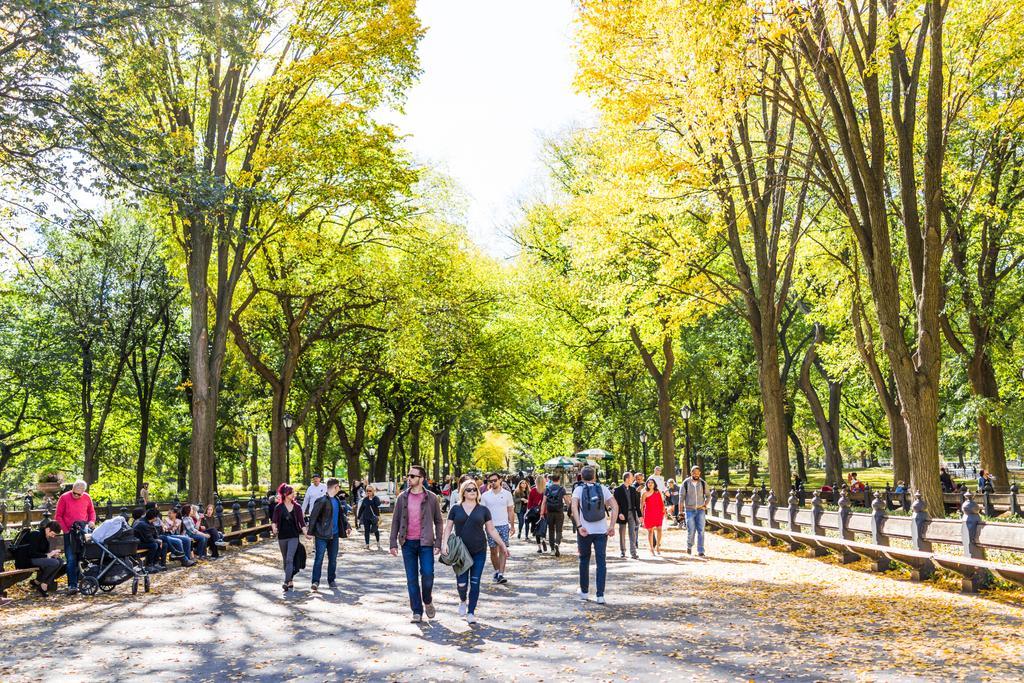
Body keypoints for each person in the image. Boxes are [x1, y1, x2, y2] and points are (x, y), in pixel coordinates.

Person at [441, 479, 510, 624]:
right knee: (462, 584)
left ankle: (471, 612)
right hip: (460, 552)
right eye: (469, 489)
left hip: (479, 550)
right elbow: (447, 528)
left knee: (475, 581)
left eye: (474, 489)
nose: (472, 491)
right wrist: (444, 544)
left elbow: (491, 530)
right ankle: (462, 601)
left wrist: (502, 545)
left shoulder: (483, 510)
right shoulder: (455, 508)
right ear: (463, 492)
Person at [389, 464, 443, 622]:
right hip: (407, 543)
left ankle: (427, 600)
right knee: (411, 578)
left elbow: (439, 522)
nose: (409, 478)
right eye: (408, 475)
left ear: (421, 479)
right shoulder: (402, 498)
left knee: (428, 574)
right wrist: (393, 543)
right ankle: (417, 611)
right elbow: (395, 521)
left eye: (412, 476)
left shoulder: (432, 498)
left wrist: (438, 542)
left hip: (426, 543)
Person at [571, 466, 617, 604]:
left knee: (584, 560)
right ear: (594, 476)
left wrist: (579, 526)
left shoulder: (578, 489)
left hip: (584, 531)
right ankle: (600, 595)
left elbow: (573, 507)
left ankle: (584, 592)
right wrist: (612, 526)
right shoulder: (602, 488)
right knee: (601, 562)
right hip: (601, 530)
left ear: (581, 477)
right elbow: (615, 506)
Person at [54, 480, 96, 594]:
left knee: (82, 558)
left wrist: (92, 521)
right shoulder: (64, 497)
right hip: (70, 533)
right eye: (74, 493)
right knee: (71, 559)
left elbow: (91, 512)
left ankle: (81, 582)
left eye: (79, 494)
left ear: (84, 492)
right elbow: (58, 516)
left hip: (83, 532)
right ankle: (72, 586)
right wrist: (66, 530)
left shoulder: (87, 497)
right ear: (72, 489)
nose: (76, 495)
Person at [306, 477, 342, 591]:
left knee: (333, 559)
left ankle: (331, 580)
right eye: (338, 486)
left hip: (334, 535)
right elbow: (313, 517)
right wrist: (310, 532)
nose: (339, 488)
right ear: (335, 487)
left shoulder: (337, 500)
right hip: (321, 535)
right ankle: (315, 581)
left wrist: (347, 526)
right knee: (319, 558)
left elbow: (341, 517)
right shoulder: (321, 500)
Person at [271, 483, 307, 593]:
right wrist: (274, 528)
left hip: (293, 536)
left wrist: (306, 533)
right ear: (286, 495)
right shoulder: (279, 507)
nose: (293, 495)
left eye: (293, 493)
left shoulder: (297, 507)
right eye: (291, 493)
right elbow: (274, 521)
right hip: (282, 537)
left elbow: (302, 522)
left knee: (289, 558)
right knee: (285, 559)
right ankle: (290, 580)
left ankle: (285, 582)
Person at [481, 472, 515, 584]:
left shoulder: (507, 494)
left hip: (504, 525)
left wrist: (512, 525)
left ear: (500, 480)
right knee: (493, 550)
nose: (493, 482)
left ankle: (501, 573)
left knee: (503, 549)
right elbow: (482, 513)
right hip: (490, 526)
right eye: (491, 481)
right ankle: (496, 570)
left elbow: (510, 510)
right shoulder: (485, 496)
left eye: (495, 480)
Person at [21, 521, 65, 598]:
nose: (53, 536)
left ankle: (40, 582)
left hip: (37, 559)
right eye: (53, 534)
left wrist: (52, 554)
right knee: (55, 563)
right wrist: (48, 555)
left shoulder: (46, 537)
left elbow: (44, 553)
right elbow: (32, 553)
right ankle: (42, 585)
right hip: (28, 560)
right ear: (48, 529)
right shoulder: (36, 534)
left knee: (60, 561)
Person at [682, 466, 709, 557]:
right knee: (691, 530)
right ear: (691, 473)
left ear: (700, 473)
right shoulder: (685, 483)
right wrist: (681, 511)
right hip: (689, 510)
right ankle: (689, 546)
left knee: (701, 531)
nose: (696, 474)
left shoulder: (703, 483)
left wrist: (705, 505)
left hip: (700, 510)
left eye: (697, 473)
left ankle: (700, 550)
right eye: (694, 473)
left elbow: (708, 495)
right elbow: (681, 498)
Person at [613, 472, 640, 559]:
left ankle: (633, 552)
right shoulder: (618, 490)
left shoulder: (633, 489)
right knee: (622, 533)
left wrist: (640, 515)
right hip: (622, 514)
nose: (633, 479)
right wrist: (619, 513)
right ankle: (622, 551)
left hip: (631, 513)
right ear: (627, 478)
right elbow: (616, 503)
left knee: (632, 533)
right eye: (632, 477)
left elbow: (637, 504)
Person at [540, 474, 568, 556]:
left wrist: (542, 513)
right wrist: (570, 508)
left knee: (551, 530)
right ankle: (557, 543)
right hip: (559, 512)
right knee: (559, 530)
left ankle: (552, 549)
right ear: (559, 479)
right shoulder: (562, 489)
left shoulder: (548, 489)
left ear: (551, 480)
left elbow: (544, 502)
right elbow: (566, 500)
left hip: (550, 512)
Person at [641, 478, 665, 555]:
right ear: (647, 484)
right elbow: (642, 506)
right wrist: (641, 516)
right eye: (649, 483)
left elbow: (662, 502)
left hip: (658, 513)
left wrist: (663, 510)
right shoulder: (644, 493)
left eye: (652, 483)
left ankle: (658, 547)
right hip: (649, 513)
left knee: (659, 529)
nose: (650, 484)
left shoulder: (658, 492)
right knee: (650, 531)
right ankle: (651, 548)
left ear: (654, 484)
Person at [357, 485, 382, 550]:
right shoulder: (365, 499)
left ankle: (378, 542)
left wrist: (372, 499)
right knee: (366, 531)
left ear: (373, 491)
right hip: (366, 517)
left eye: (370, 491)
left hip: (374, 517)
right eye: (367, 491)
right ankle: (367, 544)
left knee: (375, 530)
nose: (368, 492)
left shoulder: (376, 498)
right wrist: (359, 517)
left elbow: (378, 504)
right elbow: (361, 508)